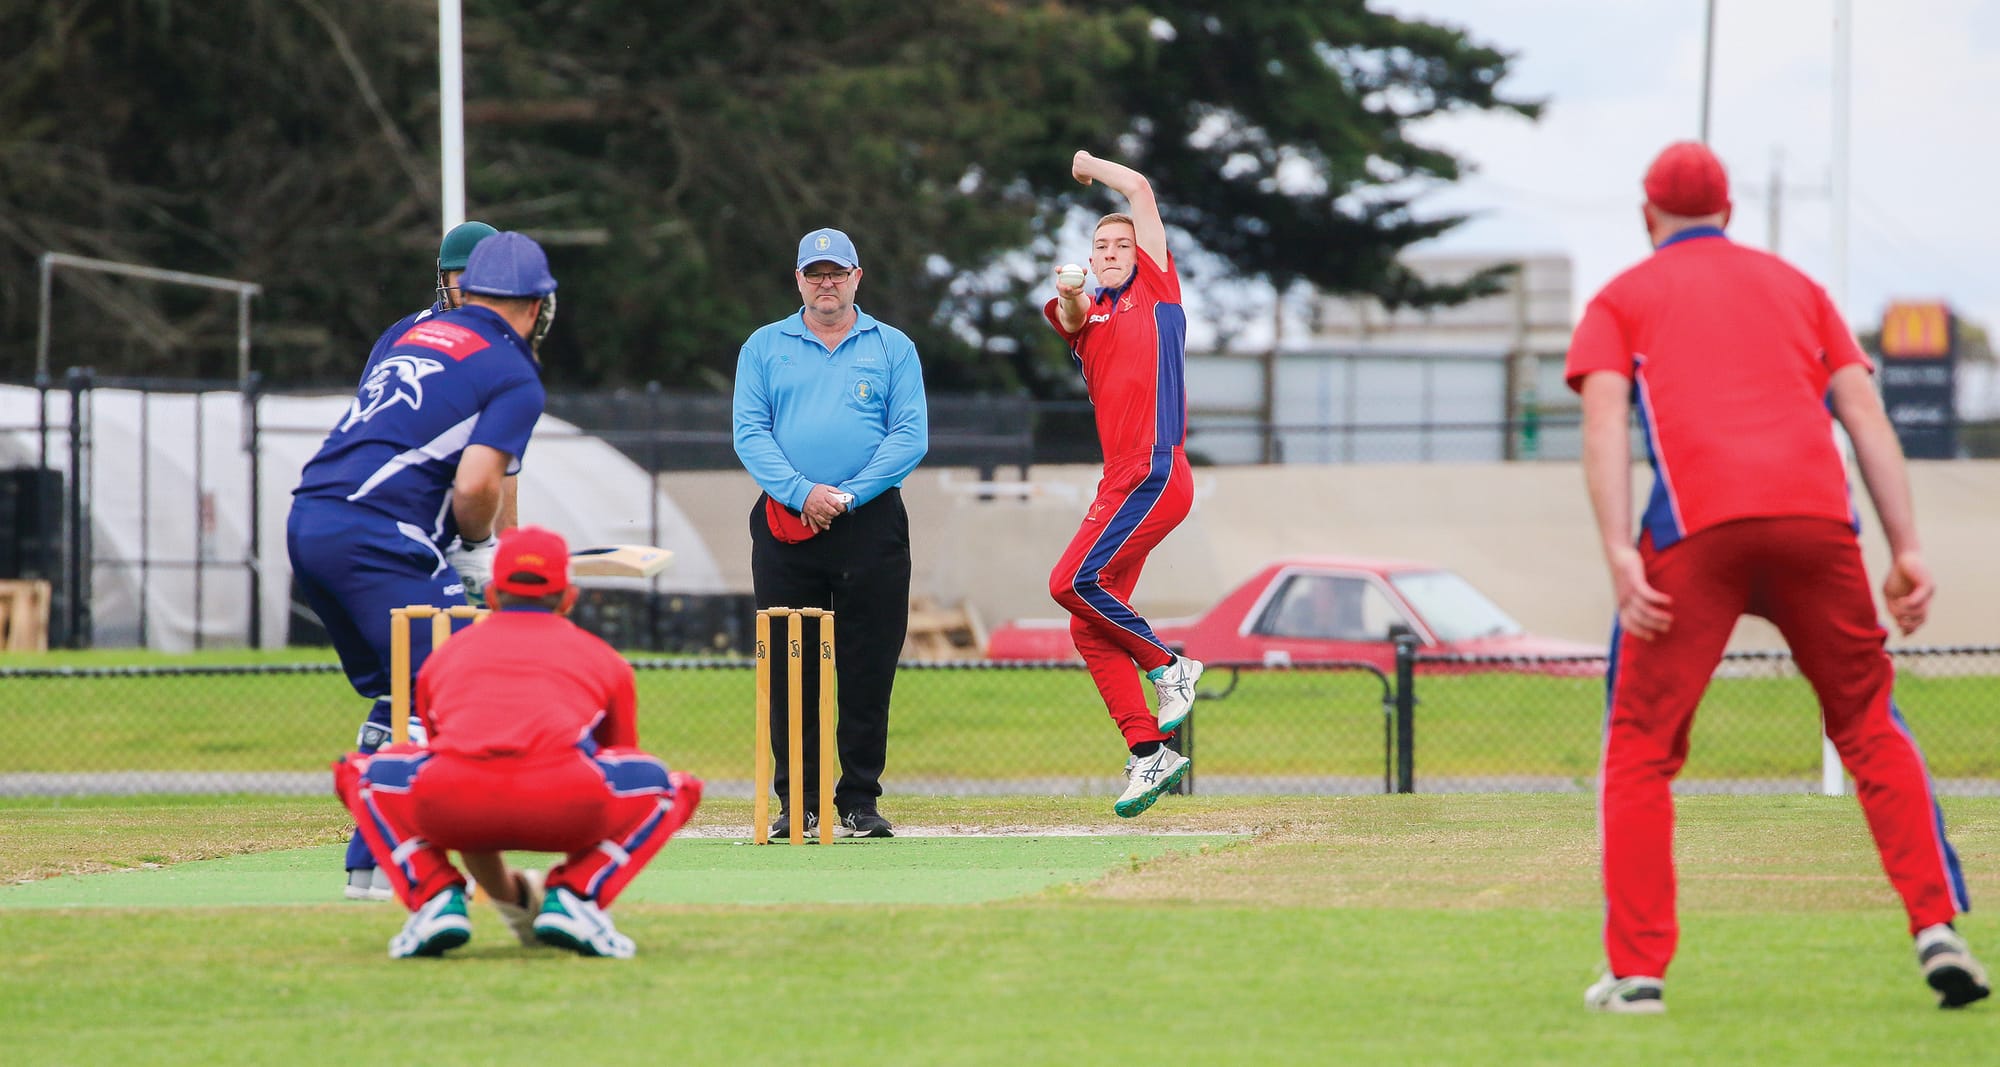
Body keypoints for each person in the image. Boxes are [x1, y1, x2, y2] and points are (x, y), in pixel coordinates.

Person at [1569, 141, 1987, 1013]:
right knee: (1867, 721)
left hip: (1695, 531)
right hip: (1818, 524)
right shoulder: (1801, 290)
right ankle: (1935, 925)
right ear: (1728, 212)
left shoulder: (1620, 299)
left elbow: (1605, 419)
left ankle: (1638, 971)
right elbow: (1864, 414)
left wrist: (1616, 549)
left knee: (1640, 746)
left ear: (1647, 216)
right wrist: (1907, 547)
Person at [290, 231, 557, 900]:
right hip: (379, 536)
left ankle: (371, 865)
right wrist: (478, 548)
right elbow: (477, 485)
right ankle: (390, 866)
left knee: (405, 690)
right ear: (536, 306)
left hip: (310, 519)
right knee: (454, 683)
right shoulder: (513, 370)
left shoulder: (413, 337)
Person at [333, 525, 702, 958]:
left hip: (455, 804)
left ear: (491, 596)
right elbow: (620, 757)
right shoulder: (606, 660)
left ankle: (434, 896)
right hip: (565, 805)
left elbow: (442, 754)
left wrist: (508, 895)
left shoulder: (443, 656)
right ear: (569, 599)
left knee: (364, 772)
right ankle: (577, 895)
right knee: (667, 785)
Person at [732, 227, 928, 839]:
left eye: (837, 273)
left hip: (870, 521)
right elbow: (750, 433)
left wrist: (846, 495)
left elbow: (909, 436)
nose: (826, 284)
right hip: (787, 523)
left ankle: (859, 799)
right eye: (815, 274)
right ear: (798, 280)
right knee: (791, 668)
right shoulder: (764, 346)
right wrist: (803, 493)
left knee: (869, 664)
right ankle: (800, 801)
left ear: (856, 278)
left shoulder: (892, 347)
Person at [1042, 150, 1202, 819]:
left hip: (1156, 470)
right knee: (1087, 624)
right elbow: (1073, 314)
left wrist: (1085, 164)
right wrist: (1073, 293)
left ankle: (1168, 666)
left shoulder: (1158, 288)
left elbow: (1137, 186)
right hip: (1120, 482)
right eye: (1101, 247)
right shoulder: (1084, 312)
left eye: (1122, 245)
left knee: (1068, 582)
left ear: (1143, 254)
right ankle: (1147, 751)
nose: (1111, 253)